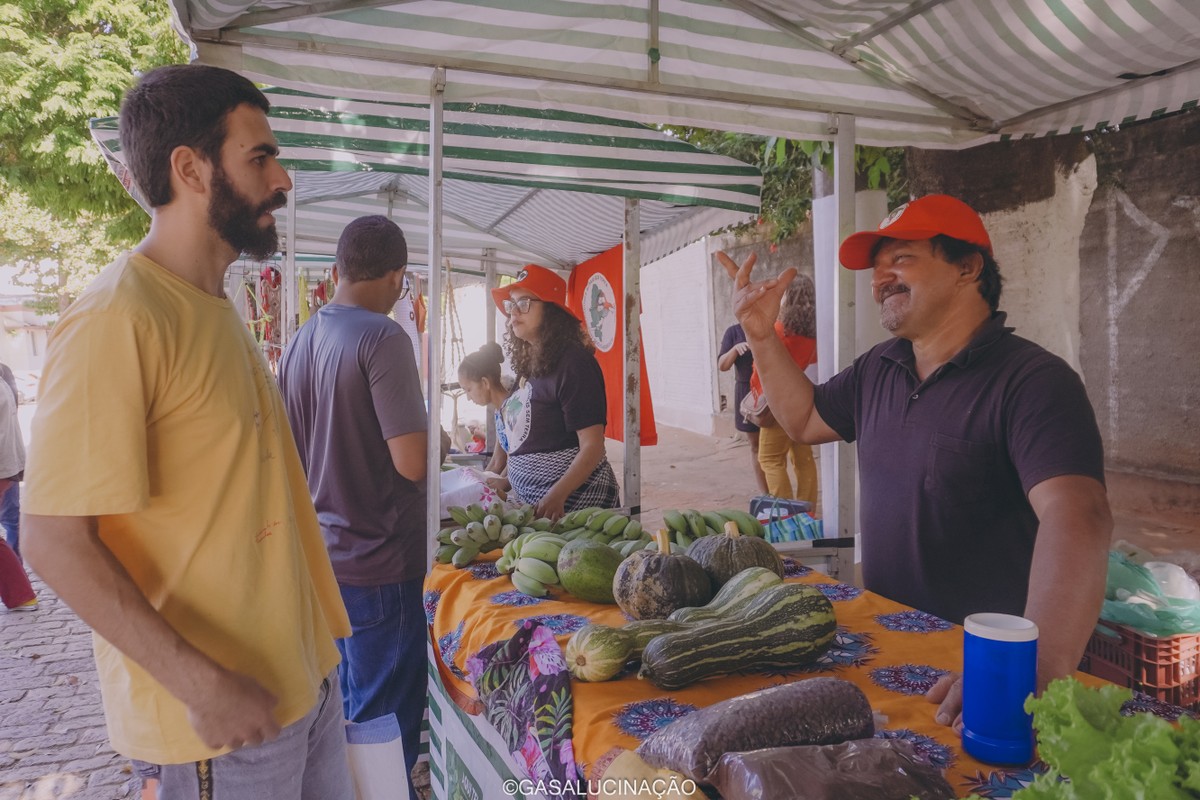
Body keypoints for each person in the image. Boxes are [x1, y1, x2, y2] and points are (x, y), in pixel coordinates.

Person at [21, 64, 354, 799]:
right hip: (218, 723)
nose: (284, 179)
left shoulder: (213, 302)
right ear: (190, 169)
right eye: (260, 156)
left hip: (302, 687)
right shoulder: (118, 317)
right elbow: (51, 538)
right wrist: (199, 684)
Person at [719, 194, 1112, 731]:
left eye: (900, 258)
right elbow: (804, 419)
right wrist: (760, 335)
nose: (880, 276)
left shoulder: (1034, 382)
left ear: (967, 268)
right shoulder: (881, 366)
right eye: (876, 267)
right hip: (889, 649)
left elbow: (1078, 514)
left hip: (985, 674)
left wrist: (1036, 665)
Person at [277, 214, 429, 798]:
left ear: (336, 271)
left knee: (347, 708)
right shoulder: (382, 336)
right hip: (380, 558)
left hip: (326, 557)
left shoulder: (301, 339)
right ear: (397, 277)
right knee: (382, 725)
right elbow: (412, 463)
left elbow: (292, 450)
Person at [491, 265, 620, 520]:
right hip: (536, 507)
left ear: (551, 311)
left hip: (575, 506)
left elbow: (592, 446)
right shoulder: (530, 363)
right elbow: (531, 441)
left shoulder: (574, 364)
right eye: (511, 305)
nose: (514, 312)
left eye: (524, 303)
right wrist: (507, 483)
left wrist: (557, 495)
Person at [748, 275, 818, 502]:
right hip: (804, 400)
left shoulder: (777, 331)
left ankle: (785, 515)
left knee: (770, 459)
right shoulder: (812, 335)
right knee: (803, 460)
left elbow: (761, 371)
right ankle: (806, 509)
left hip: (777, 403)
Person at [458, 342, 514, 495]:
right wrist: (477, 483)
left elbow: (519, 462)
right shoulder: (500, 412)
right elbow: (497, 461)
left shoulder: (515, 409)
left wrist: (494, 484)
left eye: (468, 389)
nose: (468, 398)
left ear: (484, 383)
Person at [718, 323, 767, 494]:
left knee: (774, 447)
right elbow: (722, 365)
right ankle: (765, 494)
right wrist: (734, 350)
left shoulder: (768, 325)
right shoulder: (734, 331)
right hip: (746, 392)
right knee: (755, 446)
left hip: (769, 389)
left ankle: (779, 492)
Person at [0, 363, 33, 611]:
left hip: (4, 466)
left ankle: (21, 595)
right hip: (7, 465)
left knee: (11, 521)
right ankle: (21, 595)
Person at [0, 362, 22, 559]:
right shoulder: (4, 370)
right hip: (7, 463)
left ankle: (17, 585)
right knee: (11, 519)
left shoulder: (4, 371)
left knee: (11, 519)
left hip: (7, 462)